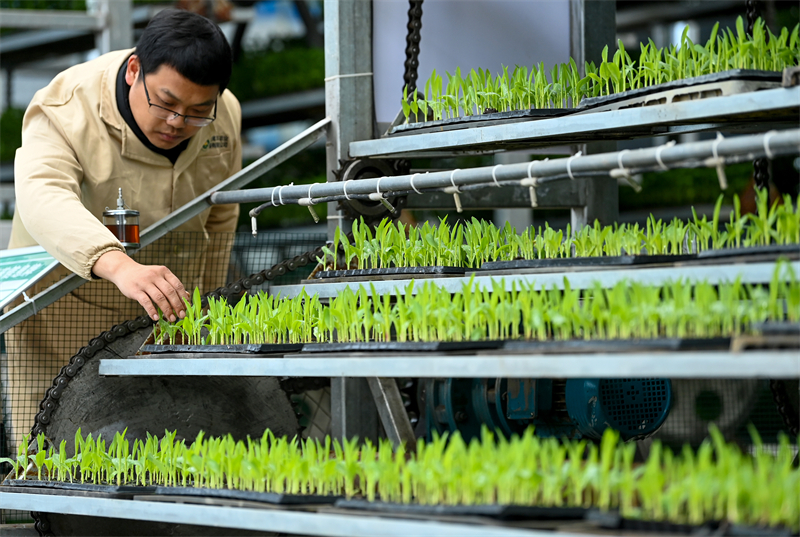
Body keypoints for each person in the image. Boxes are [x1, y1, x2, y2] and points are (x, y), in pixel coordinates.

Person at [4, 9, 242, 446]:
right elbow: (43, 197)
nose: (177, 122)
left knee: (164, 448)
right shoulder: (65, 105)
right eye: (166, 103)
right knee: (64, 453)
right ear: (134, 70)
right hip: (64, 312)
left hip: (164, 310)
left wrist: (207, 296)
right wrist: (117, 265)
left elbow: (221, 210)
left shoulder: (223, 114)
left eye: (195, 112)